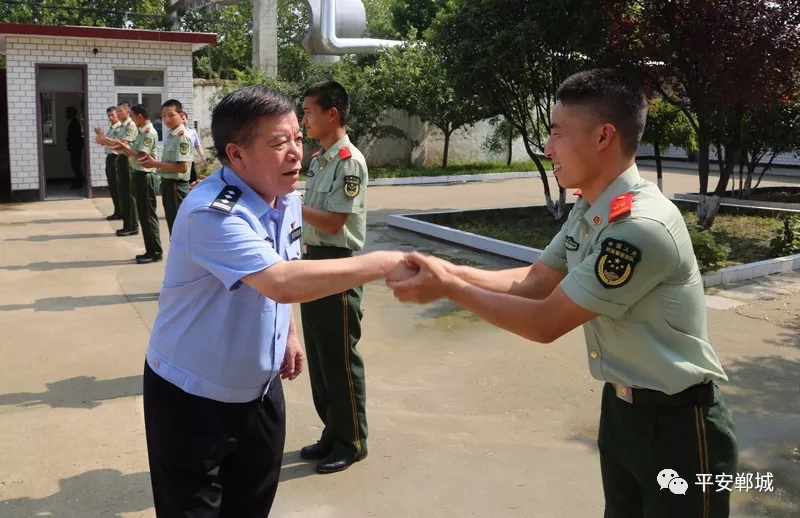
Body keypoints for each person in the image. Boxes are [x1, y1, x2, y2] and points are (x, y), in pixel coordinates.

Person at [387, 69, 738, 518]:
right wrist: (447, 269)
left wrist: (449, 287)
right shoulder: (590, 206)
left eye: (556, 134)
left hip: (679, 429)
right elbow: (535, 283)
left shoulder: (639, 227)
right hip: (622, 412)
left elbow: (546, 321)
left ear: (603, 136)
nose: (547, 148)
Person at [142, 85, 404, 517]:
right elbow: (281, 280)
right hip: (192, 398)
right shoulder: (212, 211)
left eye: (297, 138)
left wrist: (289, 333)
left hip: (260, 393)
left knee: (251, 507)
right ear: (237, 154)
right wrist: (383, 264)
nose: (295, 153)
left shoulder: (286, 200)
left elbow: (282, 272)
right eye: (279, 143)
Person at [298, 80, 371, 474]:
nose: (304, 118)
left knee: (341, 356)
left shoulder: (348, 161)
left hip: (337, 264)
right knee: (321, 355)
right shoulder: (320, 159)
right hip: (312, 263)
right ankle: (332, 429)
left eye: (309, 111)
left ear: (332, 113)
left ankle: (351, 440)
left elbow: (333, 221)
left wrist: (292, 204)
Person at [111, 104, 163, 264]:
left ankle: (155, 251)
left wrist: (126, 148)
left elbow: (141, 156)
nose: (133, 120)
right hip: (139, 175)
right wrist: (126, 148)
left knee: (148, 216)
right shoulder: (141, 132)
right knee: (143, 214)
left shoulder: (148, 133)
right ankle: (149, 249)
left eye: (133, 116)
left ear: (139, 116)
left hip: (146, 176)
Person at [137, 99, 193, 236]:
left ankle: (181, 257)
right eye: (164, 116)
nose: (167, 119)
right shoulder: (172, 135)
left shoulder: (182, 137)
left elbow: (182, 167)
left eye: (171, 115)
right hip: (168, 184)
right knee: (172, 226)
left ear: (181, 115)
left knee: (178, 228)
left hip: (176, 187)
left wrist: (155, 164)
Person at [93, 106, 122, 220]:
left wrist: (102, 136)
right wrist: (101, 138)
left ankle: (120, 211)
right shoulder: (112, 128)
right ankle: (117, 210)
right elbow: (105, 142)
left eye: (113, 115)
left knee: (116, 186)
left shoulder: (119, 128)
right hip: (110, 157)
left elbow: (114, 144)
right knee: (112, 186)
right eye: (109, 116)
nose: (110, 118)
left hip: (115, 158)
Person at [115, 102, 139, 237]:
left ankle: (132, 226)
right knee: (123, 194)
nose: (118, 114)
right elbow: (117, 144)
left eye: (120, 111)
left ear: (127, 112)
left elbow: (122, 145)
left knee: (129, 194)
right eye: (117, 111)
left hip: (128, 160)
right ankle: (126, 224)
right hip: (121, 159)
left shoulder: (131, 126)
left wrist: (108, 142)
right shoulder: (122, 127)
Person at [180, 111, 206, 184]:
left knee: (192, 183)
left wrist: (202, 156)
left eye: (183, 119)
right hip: (178, 163)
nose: (182, 121)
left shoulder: (192, 132)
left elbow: (197, 145)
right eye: (180, 119)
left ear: (187, 120)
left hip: (190, 162)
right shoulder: (171, 133)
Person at [65, 106, 84, 189]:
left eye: (67, 113)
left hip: (75, 148)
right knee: (75, 165)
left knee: (76, 165)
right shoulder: (74, 122)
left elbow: (76, 137)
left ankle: (79, 183)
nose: (66, 114)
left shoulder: (75, 124)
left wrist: (69, 140)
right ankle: (79, 182)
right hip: (75, 148)